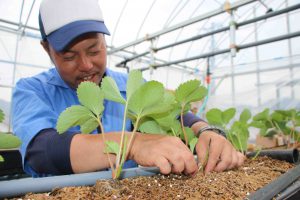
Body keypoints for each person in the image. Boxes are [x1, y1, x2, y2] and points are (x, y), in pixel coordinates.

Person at [12, 0, 245, 177]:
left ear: (105, 41)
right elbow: (42, 152)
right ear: (47, 49)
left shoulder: (128, 86)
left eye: (94, 50)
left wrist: (207, 132)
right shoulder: (32, 91)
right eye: (69, 55)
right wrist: (133, 144)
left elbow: (179, 115)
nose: (86, 65)